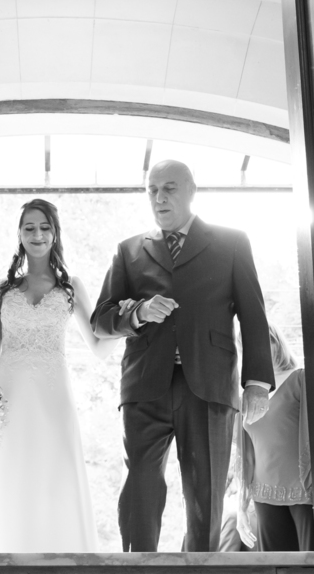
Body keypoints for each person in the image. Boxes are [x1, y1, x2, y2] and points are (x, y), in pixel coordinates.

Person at [91, 159, 274, 552]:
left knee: (205, 492)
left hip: (208, 386)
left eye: (169, 188)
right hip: (145, 385)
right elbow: (101, 320)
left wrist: (256, 383)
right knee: (141, 484)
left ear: (191, 190)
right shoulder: (128, 250)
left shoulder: (232, 242)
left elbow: (253, 314)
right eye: (152, 190)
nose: (159, 197)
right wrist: (138, 311)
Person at [0, 199, 121, 552]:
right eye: (29, 228)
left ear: (55, 233)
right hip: (7, 397)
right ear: (19, 234)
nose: (37, 235)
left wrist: (128, 324)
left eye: (44, 227)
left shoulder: (71, 288)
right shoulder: (1, 289)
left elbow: (98, 347)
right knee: (9, 471)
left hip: (54, 397)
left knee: (54, 472)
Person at [238, 326, 313, 551]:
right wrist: (241, 506)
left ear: (277, 343)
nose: (256, 350)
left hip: (305, 490)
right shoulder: (246, 395)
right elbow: (245, 455)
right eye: (247, 346)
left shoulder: (300, 378)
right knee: (277, 572)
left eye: (263, 341)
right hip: (264, 495)